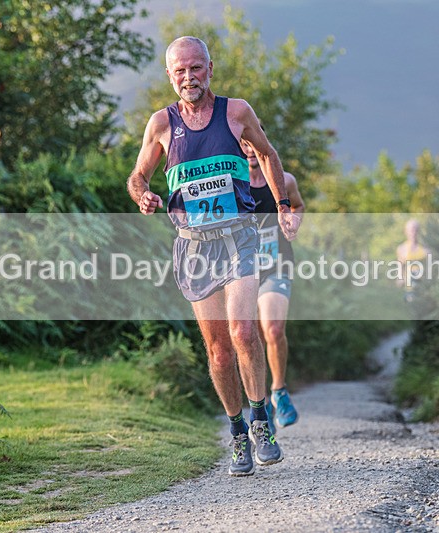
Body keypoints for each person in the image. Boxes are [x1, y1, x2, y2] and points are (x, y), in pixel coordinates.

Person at [126, 36, 298, 477]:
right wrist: (143, 195)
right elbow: (138, 176)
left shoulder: (236, 112)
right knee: (219, 351)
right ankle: (237, 431)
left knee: (244, 331)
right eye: (180, 70)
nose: (189, 77)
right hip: (195, 247)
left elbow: (267, 153)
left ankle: (261, 420)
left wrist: (282, 204)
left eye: (196, 68)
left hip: (239, 238)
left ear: (210, 68)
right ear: (170, 76)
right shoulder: (161, 124)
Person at [241, 138, 304, 432]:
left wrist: (294, 220)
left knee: (273, 329)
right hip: (242, 269)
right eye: (243, 145)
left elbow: (298, 205)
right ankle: (261, 401)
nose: (249, 150)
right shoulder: (232, 182)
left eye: (253, 143)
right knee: (249, 336)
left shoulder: (284, 181)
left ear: (261, 144)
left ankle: (279, 390)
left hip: (277, 264)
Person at [396, 218, 430, 303]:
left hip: (424, 286)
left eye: (415, 229)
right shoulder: (402, 249)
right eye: (411, 230)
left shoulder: (425, 248)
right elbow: (400, 268)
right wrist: (400, 279)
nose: (413, 232)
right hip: (409, 287)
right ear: (406, 232)